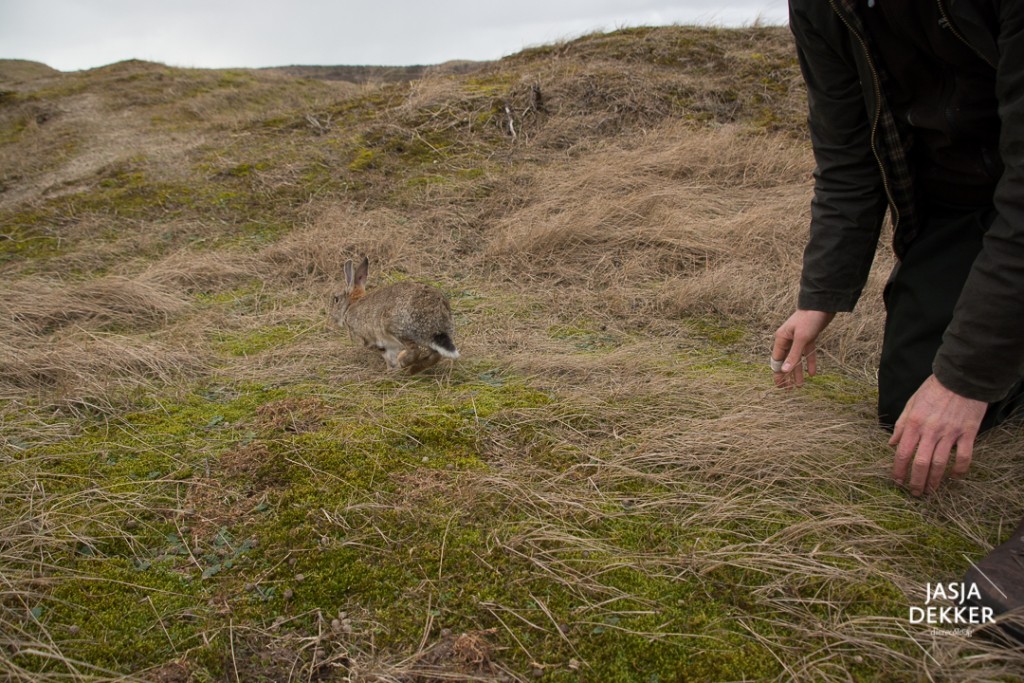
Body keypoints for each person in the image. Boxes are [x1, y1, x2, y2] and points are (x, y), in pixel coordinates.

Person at [774, 0, 1023, 635]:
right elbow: (847, 157)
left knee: (955, 389)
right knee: (907, 406)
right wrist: (820, 296)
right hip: (964, 202)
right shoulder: (822, 9)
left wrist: (965, 379)